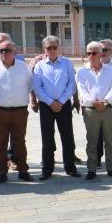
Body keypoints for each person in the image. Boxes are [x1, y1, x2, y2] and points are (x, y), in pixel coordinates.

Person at [0, 39, 34, 184]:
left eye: (7, 50)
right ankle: (2, 172)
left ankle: (23, 171)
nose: (4, 53)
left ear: (15, 52)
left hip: (19, 111)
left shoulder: (24, 68)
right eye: (1, 51)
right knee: (0, 144)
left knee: (19, 142)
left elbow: (30, 86)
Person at [32, 35, 80, 180]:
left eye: (54, 47)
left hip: (64, 105)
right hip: (46, 106)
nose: (52, 50)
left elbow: (72, 84)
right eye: (49, 48)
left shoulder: (67, 63)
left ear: (59, 48)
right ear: (44, 49)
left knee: (67, 138)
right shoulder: (39, 66)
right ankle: (47, 169)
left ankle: (70, 167)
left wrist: (61, 101)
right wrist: (50, 102)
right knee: (47, 139)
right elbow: (37, 87)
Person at [76, 41, 112, 179]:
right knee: (92, 140)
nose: (91, 56)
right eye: (88, 53)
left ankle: (111, 167)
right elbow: (81, 91)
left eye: (94, 53)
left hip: (108, 108)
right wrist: (94, 102)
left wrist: (105, 101)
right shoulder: (82, 72)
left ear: (101, 53)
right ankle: (91, 169)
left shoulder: (111, 70)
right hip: (90, 110)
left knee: (110, 140)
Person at [97, 39, 112, 166]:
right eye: (100, 50)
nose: (102, 53)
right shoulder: (93, 64)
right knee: (96, 131)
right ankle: (97, 157)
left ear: (111, 51)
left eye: (105, 50)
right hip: (95, 101)